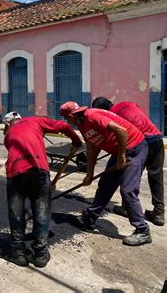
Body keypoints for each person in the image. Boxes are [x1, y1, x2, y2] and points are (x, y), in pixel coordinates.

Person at [60, 101, 151, 246]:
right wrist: (89, 173)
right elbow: (92, 149)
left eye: (66, 118)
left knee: (128, 190)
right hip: (119, 151)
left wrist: (121, 156)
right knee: (105, 185)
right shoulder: (82, 125)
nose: (66, 121)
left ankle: (143, 230)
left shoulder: (92, 116)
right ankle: (89, 218)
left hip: (134, 148)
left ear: (72, 116)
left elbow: (121, 131)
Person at [3, 111, 82, 267]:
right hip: (39, 171)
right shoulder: (35, 120)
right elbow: (64, 126)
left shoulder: (8, 136)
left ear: (7, 125)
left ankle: (18, 252)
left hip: (16, 173)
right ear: (20, 118)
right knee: (42, 211)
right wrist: (76, 141)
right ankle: (40, 253)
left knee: (16, 213)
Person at [92, 97, 164, 226]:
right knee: (156, 176)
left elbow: (121, 134)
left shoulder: (110, 116)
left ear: (101, 110)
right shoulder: (128, 103)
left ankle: (126, 208)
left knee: (129, 176)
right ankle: (158, 212)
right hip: (156, 138)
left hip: (139, 143)